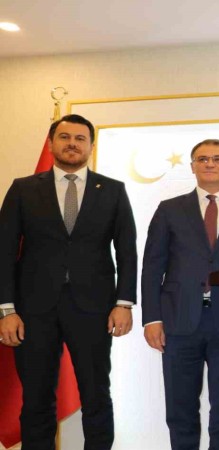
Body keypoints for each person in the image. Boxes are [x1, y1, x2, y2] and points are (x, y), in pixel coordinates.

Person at [0, 114, 137, 450]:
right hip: (33, 310)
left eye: (80, 138)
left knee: (96, 394)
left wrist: (124, 303)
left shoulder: (113, 190)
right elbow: (3, 251)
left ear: (91, 146)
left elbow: (127, 250)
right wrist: (6, 309)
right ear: (51, 143)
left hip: (93, 308)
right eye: (64, 137)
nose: (72, 144)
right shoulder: (23, 189)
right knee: (36, 398)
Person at [141, 139, 219, 449]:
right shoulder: (169, 210)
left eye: (218, 159)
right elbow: (152, 267)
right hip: (178, 321)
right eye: (202, 158)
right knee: (180, 407)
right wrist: (152, 318)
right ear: (193, 166)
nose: (210, 163)